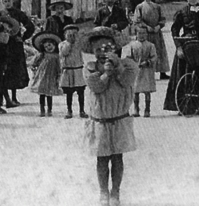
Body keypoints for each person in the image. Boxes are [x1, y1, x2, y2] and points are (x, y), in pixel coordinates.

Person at [83, 26, 138, 206]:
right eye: (98, 50)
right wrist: (106, 73)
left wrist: (118, 67)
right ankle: (103, 192)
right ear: (92, 52)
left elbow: (127, 81)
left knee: (117, 157)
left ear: (115, 49)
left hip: (119, 119)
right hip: (100, 121)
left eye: (107, 49)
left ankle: (115, 191)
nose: (102, 53)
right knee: (102, 158)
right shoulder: (90, 68)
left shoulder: (127, 65)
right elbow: (97, 87)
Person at [0, 0, 35, 107]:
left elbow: (30, 26)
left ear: (13, 1)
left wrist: (23, 37)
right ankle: (4, 98)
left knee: (15, 70)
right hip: (3, 44)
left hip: (15, 45)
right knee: (3, 70)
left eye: (9, 1)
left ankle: (13, 97)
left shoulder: (19, 14)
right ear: (2, 2)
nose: (7, 3)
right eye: (5, 1)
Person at [131, 0, 170, 80]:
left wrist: (158, 26)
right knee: (145, 52)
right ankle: (144, 73)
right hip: (145, 34)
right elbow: (137, 20)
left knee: (159, 52)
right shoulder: (139, 7)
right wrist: (146, 27)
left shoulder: (157, 6)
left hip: (156, 33)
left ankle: (162, 72)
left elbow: (163, 19)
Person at [124, 26, 157, 118]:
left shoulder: (151, 45)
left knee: (147, 91)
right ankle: (136, 109)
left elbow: (154, 57)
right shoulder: (132, 45)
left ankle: (147, 109)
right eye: (139, 33)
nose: (142, 35)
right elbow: (128, 57)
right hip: (136, 71)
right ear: (136, 34)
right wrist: (132, 63)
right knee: (136, 91)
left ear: (147, 34)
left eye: (144, 33)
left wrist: (147, 62)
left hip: (147, 71)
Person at [30, 32, 63, 117]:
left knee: (49, 94)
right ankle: (42, 110)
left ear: (55, 45)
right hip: (42, 76)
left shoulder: (56, 56)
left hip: (52, 76)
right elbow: (34, 63)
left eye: (50, 45)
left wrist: (59, 75)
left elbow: (59, 66)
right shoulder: (42, 55)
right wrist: (34, 68)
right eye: (45, 46)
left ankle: (49, 110)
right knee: (42, 93)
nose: (48, 48)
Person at [59, 24, 88, 119]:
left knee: (80, 92)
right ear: (65, 35)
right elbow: (64, 53)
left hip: (78, 69)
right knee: (69, 93)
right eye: (69, 35)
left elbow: (86, 47)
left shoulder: (79, 44)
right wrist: (69, 44)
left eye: (74, 35)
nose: (72, 37)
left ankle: (82, 110)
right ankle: (69, 110)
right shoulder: (62, 44)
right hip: (68, 70)